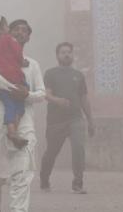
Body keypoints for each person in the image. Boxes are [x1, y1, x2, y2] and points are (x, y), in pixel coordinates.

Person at [0, 19, 45, 212]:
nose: (20, 33)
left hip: (24, 123)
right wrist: (12, 89)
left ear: (28, 37)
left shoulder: (32, 65)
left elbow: (41, 93)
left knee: (23, 172)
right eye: (16, 29)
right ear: (8, 33)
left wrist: (27, 94)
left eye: (24, 31)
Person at [39, 42, 95, 194]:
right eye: (63, 52)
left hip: (76, 118)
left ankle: (78, 183)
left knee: (78, 148)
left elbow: (84, 98)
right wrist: (58, 100)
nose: (66, 54)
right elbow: (46, 94)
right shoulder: (50, 73)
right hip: (56, 120)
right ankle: (44, 179)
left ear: (72, 55)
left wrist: (90, 120)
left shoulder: (78, 75)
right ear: (57, 55)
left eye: (69, 52)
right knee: (51, 152)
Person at [0, 15, 29, 148]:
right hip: (14, 80)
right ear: (1, 28)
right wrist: (22, 62)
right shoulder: (9, 39)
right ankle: (13, 131)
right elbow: (17, 53)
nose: (9, 28)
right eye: (7, 25)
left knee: (10, 105)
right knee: (19, 107)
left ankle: (12, 132)